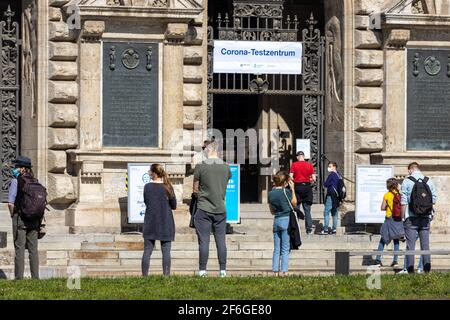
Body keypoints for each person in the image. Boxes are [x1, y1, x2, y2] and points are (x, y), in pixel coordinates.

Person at [193, 140, 231, 277]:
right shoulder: (226, 167)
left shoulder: (200, 166)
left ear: (209, 150)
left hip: (204, 207)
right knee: (221, 241)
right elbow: (224, 184)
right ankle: (223, 270)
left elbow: (195, 189)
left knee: (204, 241)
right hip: (220, 208)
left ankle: (203, 270)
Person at [8, 156, 40, 280]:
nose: (14, 169)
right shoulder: (35, 181)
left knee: (19, 249)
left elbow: (10, 203)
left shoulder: (16, 181)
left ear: (22, 169)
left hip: (20, 218)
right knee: (33, 250)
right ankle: (35, 278)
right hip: (34, 220)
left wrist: (12, 215)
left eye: (16, 167)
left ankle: (19, 278)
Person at [401, 162, 436, 273]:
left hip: (411, 217)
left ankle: (410, 270)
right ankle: (426, 270)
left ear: (410, 169)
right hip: (425, 217)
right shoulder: (428, 180)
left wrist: (403, 217)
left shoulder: (407, 181)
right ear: (418, 168)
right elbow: (433, 199)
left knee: (410, 246)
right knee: (425, 245)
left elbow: (403, 202)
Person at [141, 164, 177, 276]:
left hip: (151, 221)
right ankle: (166, 276)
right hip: (166, 221)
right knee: (166, 251)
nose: (149, 173)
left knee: (147, 250)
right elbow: (174, 205)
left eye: (150, 171)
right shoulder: (168, 187)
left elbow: (147, 202)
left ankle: (144, 277)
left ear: (154, 173)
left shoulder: (147, 187)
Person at [268, 172, 297, 276]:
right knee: (285, 248)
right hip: (286, 219)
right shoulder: (286, 191)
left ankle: (275, 272)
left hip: (276, 220)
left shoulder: (270, 193)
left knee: (276, 249)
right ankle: (283, 272)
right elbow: (294, 203)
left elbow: (271, 210)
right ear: (285, 182)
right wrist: (292, 189)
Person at [374, 178, 405, 267]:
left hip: (389, 218)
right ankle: (395, 261)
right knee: (396, 240)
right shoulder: (400, 194)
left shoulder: (387, 195)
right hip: (398, 219)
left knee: (383, 238)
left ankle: (378, 260)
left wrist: (388, 206)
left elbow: (382, 207)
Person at [289, 151, 316, 234]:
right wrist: (309, 180)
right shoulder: (309, 165)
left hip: (297, 188)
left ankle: (296, 229)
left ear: (297, 157)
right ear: (303, 156)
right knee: (307, 210)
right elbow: (314, 178)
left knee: (296, 209)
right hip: (307, 188)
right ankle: (309, 229)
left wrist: (295, 180)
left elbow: (290, 176)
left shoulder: (294, 164)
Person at [320, 162, 341, 235]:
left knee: (326, 212)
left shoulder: (332, 175)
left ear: (334, 167)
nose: (328, 168)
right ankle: (334, 229)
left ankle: (325, 229)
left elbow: (325, 184)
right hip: (337, 196)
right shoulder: (339, 175)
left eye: (330, 166)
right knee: (334, 213)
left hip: (330, 195)